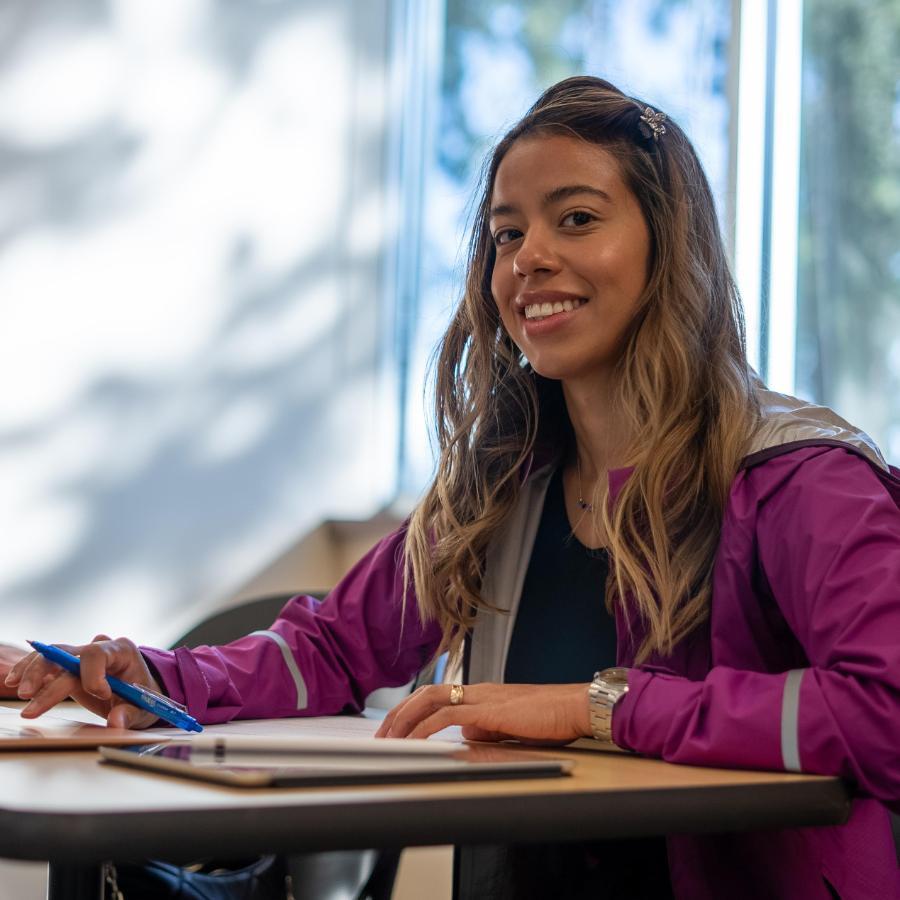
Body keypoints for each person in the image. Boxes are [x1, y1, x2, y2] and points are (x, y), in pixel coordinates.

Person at [6, 76, 900, 900]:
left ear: (673, 246)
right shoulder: (505, 487)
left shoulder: (802, 477)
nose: (529, 258)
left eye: (577, 218)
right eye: (508, 233)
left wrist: (598, 709)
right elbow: (336, 651)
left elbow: (885, 708)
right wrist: (149, 675)